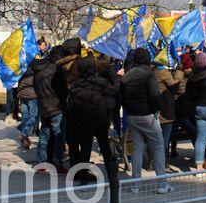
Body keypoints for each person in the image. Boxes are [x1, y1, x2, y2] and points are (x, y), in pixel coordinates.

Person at [121, 48, 173, 192]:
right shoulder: (149, 75)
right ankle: (162, 184)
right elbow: (155, 95)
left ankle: (135, 185)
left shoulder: (126, 76)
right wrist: (158, 108)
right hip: (148, 116)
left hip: (132, 116)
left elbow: (122, 97)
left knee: (137, 149)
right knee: (158, 147)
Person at [67, 54, 120, 183]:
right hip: (99, 120)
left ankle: (84, 179)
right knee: (105, 148)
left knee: (85, 151)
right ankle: (111, 176)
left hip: (83, 122)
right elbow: (114, 92)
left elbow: (71, 107)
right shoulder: (101, 83)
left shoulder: (74, 87)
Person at [34, 40, 75, 173]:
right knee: (59, 136)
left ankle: (41, 162)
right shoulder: (57, 70)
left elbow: (35, 87)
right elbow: (63, 89)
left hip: (43, 106)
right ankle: (57, 164)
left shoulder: (40, 69)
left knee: (44, 135)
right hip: (56, 107)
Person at [155, 57, 183, 161]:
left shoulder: (152, 71)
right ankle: (162, 162)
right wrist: (179, 72)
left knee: (157, 138)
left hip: (156, 110)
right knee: (164, 138)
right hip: (165, 110)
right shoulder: (163, 73)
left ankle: (154, 161)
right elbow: (175, 86)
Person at [16, 52, 40, 150]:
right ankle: (24, 133)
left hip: (22, 94)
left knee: (25, 116)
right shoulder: (35, 68)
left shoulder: (21, 68)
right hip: (32, 95)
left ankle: (24, 138)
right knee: (33, 116)